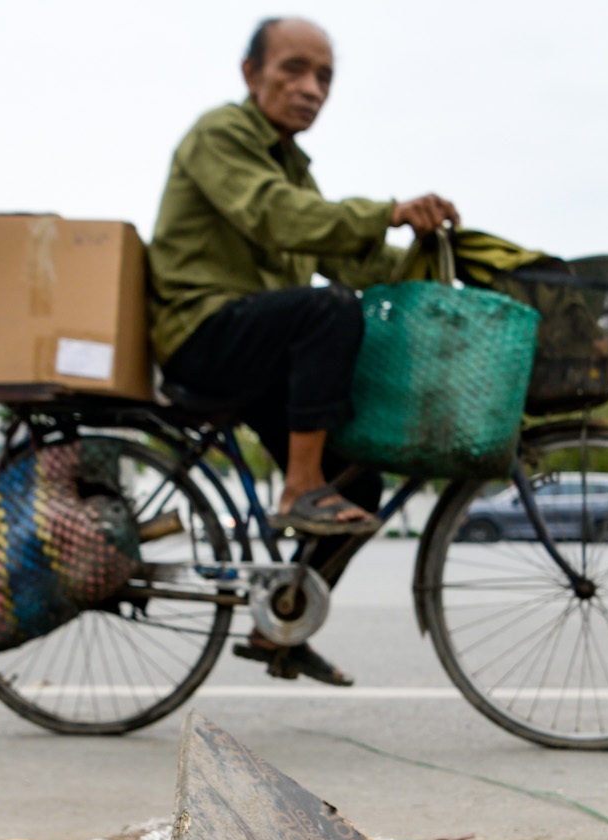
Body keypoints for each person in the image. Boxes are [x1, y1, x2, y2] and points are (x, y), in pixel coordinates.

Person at [148, 15, 457, 685]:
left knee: (364, 480)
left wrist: (430, 253)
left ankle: (278, 627)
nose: (310, 88)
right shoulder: (221, 136)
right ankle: (300, 486)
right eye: (293, 69)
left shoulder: (293, 167)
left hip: (259, 352)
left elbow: (350, 260)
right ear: (250, 73)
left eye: (324, 77)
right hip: (201, 335)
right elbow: (275, 215)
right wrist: (386, 210)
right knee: (325, 311)